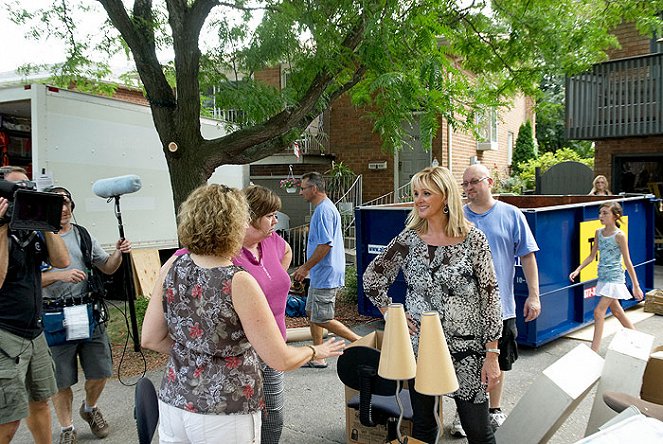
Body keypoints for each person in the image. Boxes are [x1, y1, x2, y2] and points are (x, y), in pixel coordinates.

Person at [141, 184, 344, 444]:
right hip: (225, 410)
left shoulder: (173, 265)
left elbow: (151, 339)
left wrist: (199, 355)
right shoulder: (237, 280)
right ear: (235, 224)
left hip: (174, 402)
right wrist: (316, 351)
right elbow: (279, 359)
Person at [363, 166, 502, 444]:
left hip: (467, 350)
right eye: (416, 193)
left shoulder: (473, 239)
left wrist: (492, 354)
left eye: (427, 193)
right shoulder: (409, 239)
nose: (419, 199)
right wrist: (393, 317)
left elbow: (490, 296)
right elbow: (372, 279)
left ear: (446, 196)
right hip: (421, 347)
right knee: (424, 427)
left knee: (478, 430)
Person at [41, 186, 132, 443]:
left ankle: (89, 409)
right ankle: (67, 428)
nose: (64, 208)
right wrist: (60, 275)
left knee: (101, 371)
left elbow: (107, 268)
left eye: (67, 202)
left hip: (87, 312)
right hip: (54, 315)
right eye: (57, 204)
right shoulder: (37, 237)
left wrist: (118, 253)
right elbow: (28, 280)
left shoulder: (82, 234)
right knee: (61, 380)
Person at [461, 163, 541, 434]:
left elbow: (528, 256)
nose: (469, 188)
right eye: (465, 184)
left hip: (501, 307)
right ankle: (464, 414)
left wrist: (534, 296)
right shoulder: (457, 217)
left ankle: (494, 410)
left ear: (490, 182)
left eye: (474, 182)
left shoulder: (511, 214)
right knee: (465, 361)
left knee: (497, 360)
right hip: (464, 310)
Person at [0, 166, 70, 444]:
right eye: (17, 189)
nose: (25, 193)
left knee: (40, 402)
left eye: (28, 187)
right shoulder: (3, 229)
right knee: (8, 420)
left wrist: (47, 222)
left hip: (34, 332)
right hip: (5, 336)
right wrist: (2, 228)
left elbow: (62, 262)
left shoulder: (30, 229)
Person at [232, 185, 292, 444]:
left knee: (273, 414)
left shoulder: (273, 241)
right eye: (270, 215)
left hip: (274, 344)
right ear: (249, 217)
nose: (275, 220)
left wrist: (276, 274)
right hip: (243, 349)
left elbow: (287, 251)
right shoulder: (229, 252)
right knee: (244, 414)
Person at [292, 172, 360, 367]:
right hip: (321, 273)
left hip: (326, 273)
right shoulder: (324, 209)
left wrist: (305, 268)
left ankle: (363, 343)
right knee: (312, 312)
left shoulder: (323, 211)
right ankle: (318, 356)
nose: (300, 192)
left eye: (303, 188)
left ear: (314, 189)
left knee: (322, 317)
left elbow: (325, 245)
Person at [569, 201, 643, 352]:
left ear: (615, 216)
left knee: (598, 312)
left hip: (615, 279)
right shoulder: (598, 232)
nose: (601, 216)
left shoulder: (620, 235)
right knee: (617, 312)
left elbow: (627, 261)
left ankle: (593, 351)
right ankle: (639, 343)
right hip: (603, 276)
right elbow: (591, 256)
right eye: (600, 213)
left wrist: (636, 285)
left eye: (605, 213)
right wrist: (578, 269)